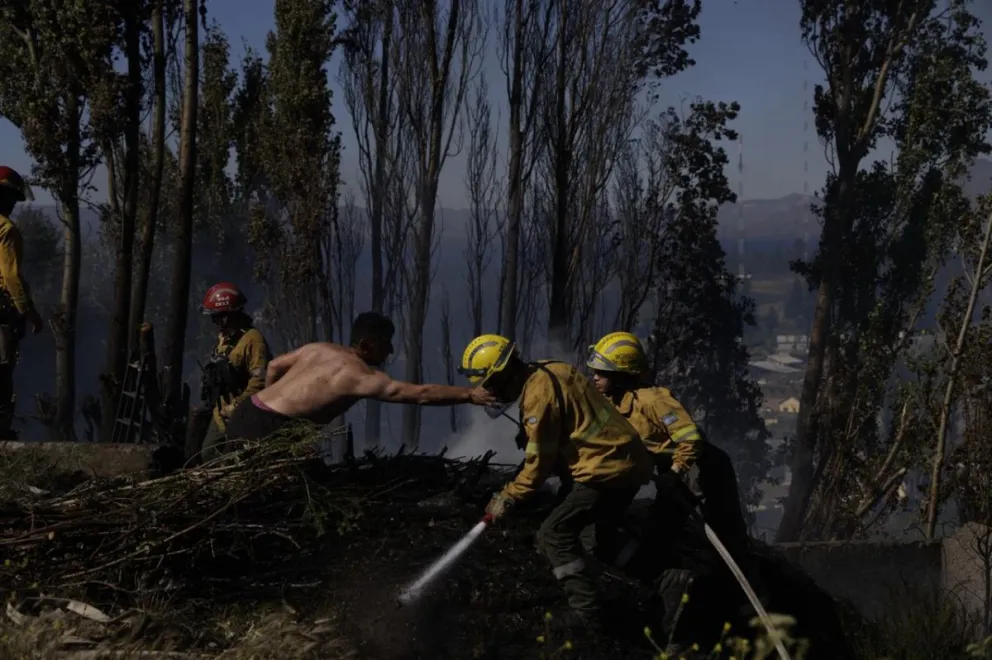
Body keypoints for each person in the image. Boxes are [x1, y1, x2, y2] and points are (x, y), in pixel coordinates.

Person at [459, 333, 653, 631]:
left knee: (553, 534)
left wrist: (506, 498)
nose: (489, 391)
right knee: (590, 537)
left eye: (491, 383)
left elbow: (538, 468)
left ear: (506, 373)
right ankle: (662, 577)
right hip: (622, 461)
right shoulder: (549, 369)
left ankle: (587, 613)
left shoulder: (538, 397)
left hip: (603, 470)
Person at [585, 331, 762, 634]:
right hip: (671, 472)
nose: (595, 378)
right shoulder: (613, 403)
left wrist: (677, 473)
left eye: (602, 372)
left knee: (726, 540)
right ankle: (673, 594)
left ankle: (752, 604)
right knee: (659, 530)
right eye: (595, 372)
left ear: (622, 374)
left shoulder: (654, 400)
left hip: (703, 470)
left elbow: (690, 439)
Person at [224, 311, 497, 442]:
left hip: (250, 410)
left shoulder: (319, 348)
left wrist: (267, 398)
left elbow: (274, 367)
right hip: (268, 427)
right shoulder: (359, 377)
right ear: (366, 345)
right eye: (385, 343)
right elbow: (420, 394)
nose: (390, 350)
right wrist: (469, 395)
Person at [185, 282, 272, 463]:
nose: (214, 323)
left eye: (216, 317)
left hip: (243, 414)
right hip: (220, 412)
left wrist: (237, 405)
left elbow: (260, 381)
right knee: (208, 454)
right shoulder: (224, 339)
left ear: (227, 316)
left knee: (237, 459)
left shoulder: (253, 341)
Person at [0, 167, 43, 440]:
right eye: (13, 198)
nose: (15, 205)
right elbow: (12, 277)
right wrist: (29, 313)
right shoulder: (7, 229)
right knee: (2, 371)